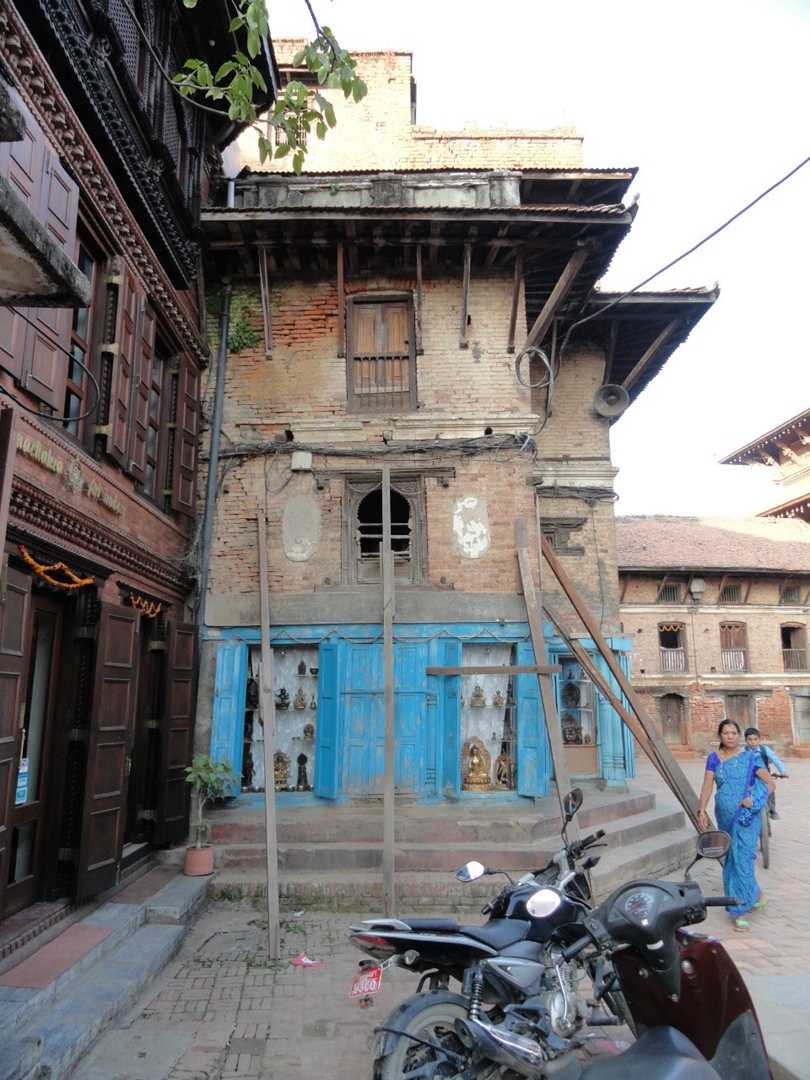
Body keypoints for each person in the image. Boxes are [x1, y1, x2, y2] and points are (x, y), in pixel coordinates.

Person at [696, 718, 775, 932]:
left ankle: (739, 909)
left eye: (733, 733)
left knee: (744, 858)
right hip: (725, 816)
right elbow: (707, 786)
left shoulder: (751, 757)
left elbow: (770, 783)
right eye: (725, 733)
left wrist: (753, 800)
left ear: (738, 735)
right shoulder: (714, 758)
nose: (730, 736)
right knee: (732, 859)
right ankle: (757, 895)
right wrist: (701, 810)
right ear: (720, 736)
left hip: (747, 817)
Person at [744, 727, 788, 820]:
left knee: (770, 792)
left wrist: (782, 771)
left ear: (759, 739)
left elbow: (775, 760)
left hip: (765, 778)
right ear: (746, 740)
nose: (753, 742)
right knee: (745, 793)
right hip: (749, 778)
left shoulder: (765, 750)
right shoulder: (743, 751)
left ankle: (772, 810)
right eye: (750, 739)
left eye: (755, 739)